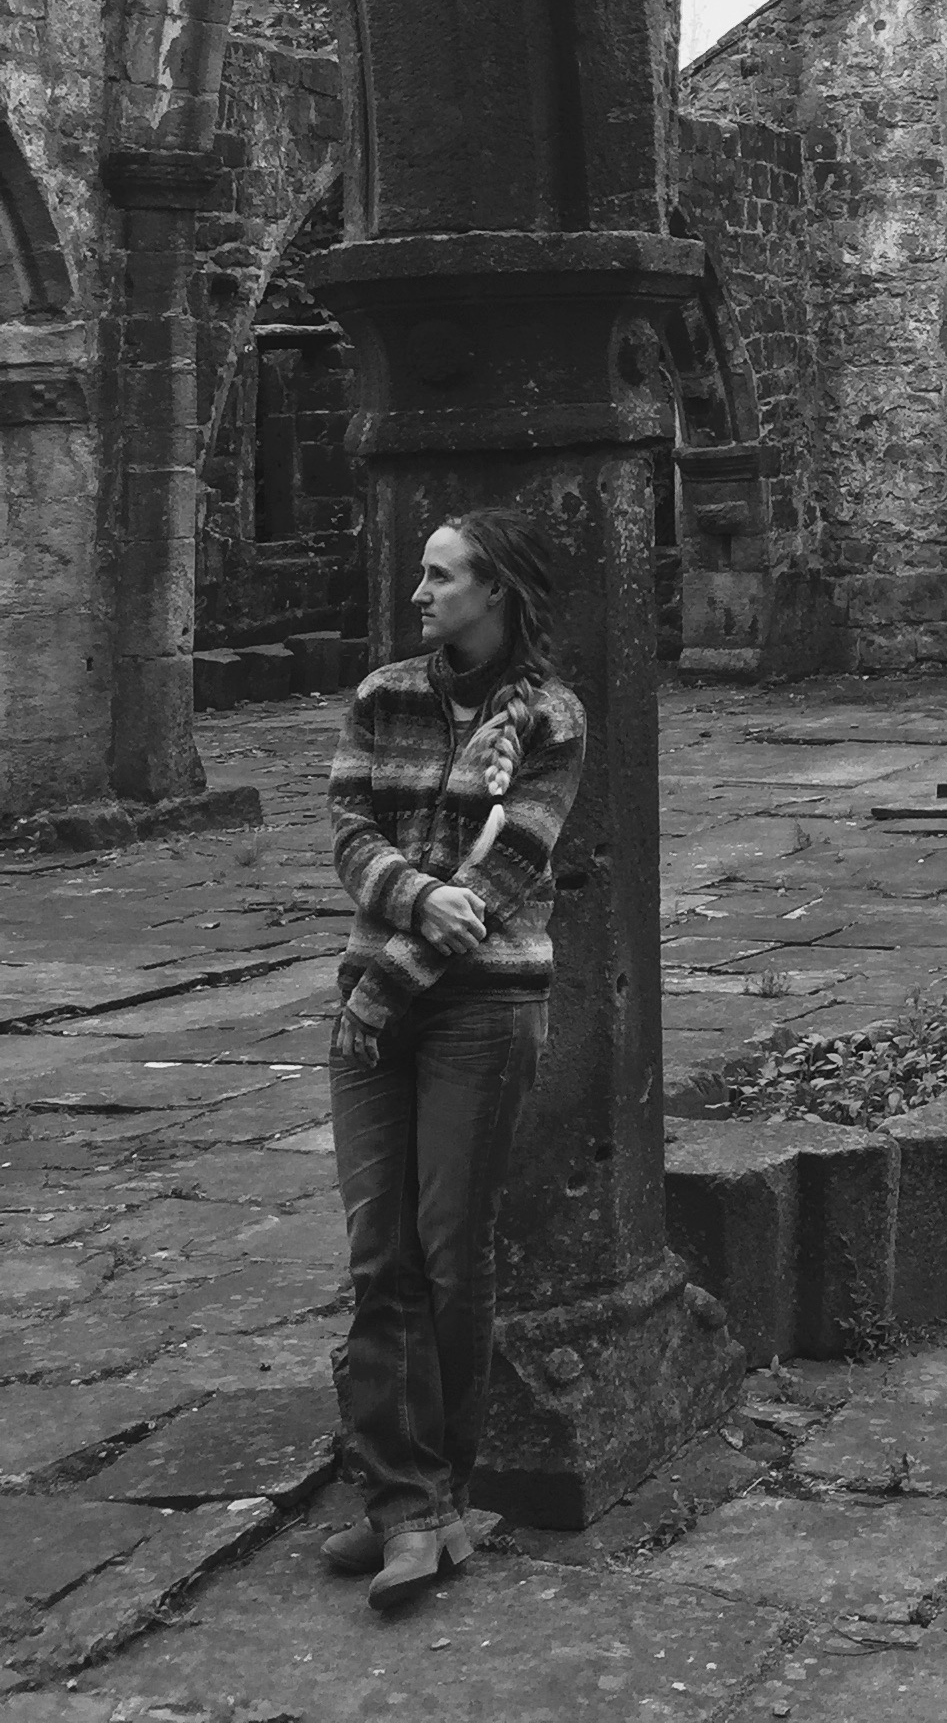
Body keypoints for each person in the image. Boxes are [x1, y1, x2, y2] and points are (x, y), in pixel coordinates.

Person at [323, 507, 586, 1612]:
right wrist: (415, 897)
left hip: (476, 1007)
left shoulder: (553, 719)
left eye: (440, 578)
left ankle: (437, 1500)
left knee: (448, 1255)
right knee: (377, 1256)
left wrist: (395, 970)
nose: (419, 595)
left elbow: (510, 867)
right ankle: (408, 1507)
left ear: (495, 590)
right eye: (423, 577)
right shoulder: (384, 696)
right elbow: (349, 830)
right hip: (375, 1004)